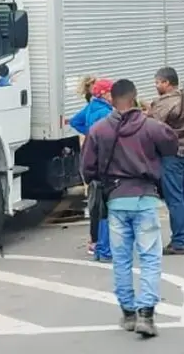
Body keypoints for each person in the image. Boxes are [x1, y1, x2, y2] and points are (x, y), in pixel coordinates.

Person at [81, 79, 178, 337]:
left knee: (121, 259)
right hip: (145, 198)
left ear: (111, 99)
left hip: (115, 200)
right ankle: (146, 313)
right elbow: (172, 144)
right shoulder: (150, 126)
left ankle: (128, 312)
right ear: (134, 97)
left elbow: (87, 168)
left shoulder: (99, 130)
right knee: (149, 257)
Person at [146, 66, 184, 255]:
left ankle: (179, 242)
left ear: (166, 82)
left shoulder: (164, 103)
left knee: (175, 199)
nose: (156, 86)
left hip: (173, 155)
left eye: (157, 82)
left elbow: (152, 126)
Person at [69, 77, 114, 260]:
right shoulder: (105, 113)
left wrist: (88, 134)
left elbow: (74, 121)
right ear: (104, 93)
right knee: (105, 207)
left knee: (96, 204)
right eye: (111, 92)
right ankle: (102, 246)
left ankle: (95, 243)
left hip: (91, 160)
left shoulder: (91, 107)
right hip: (104, 162)